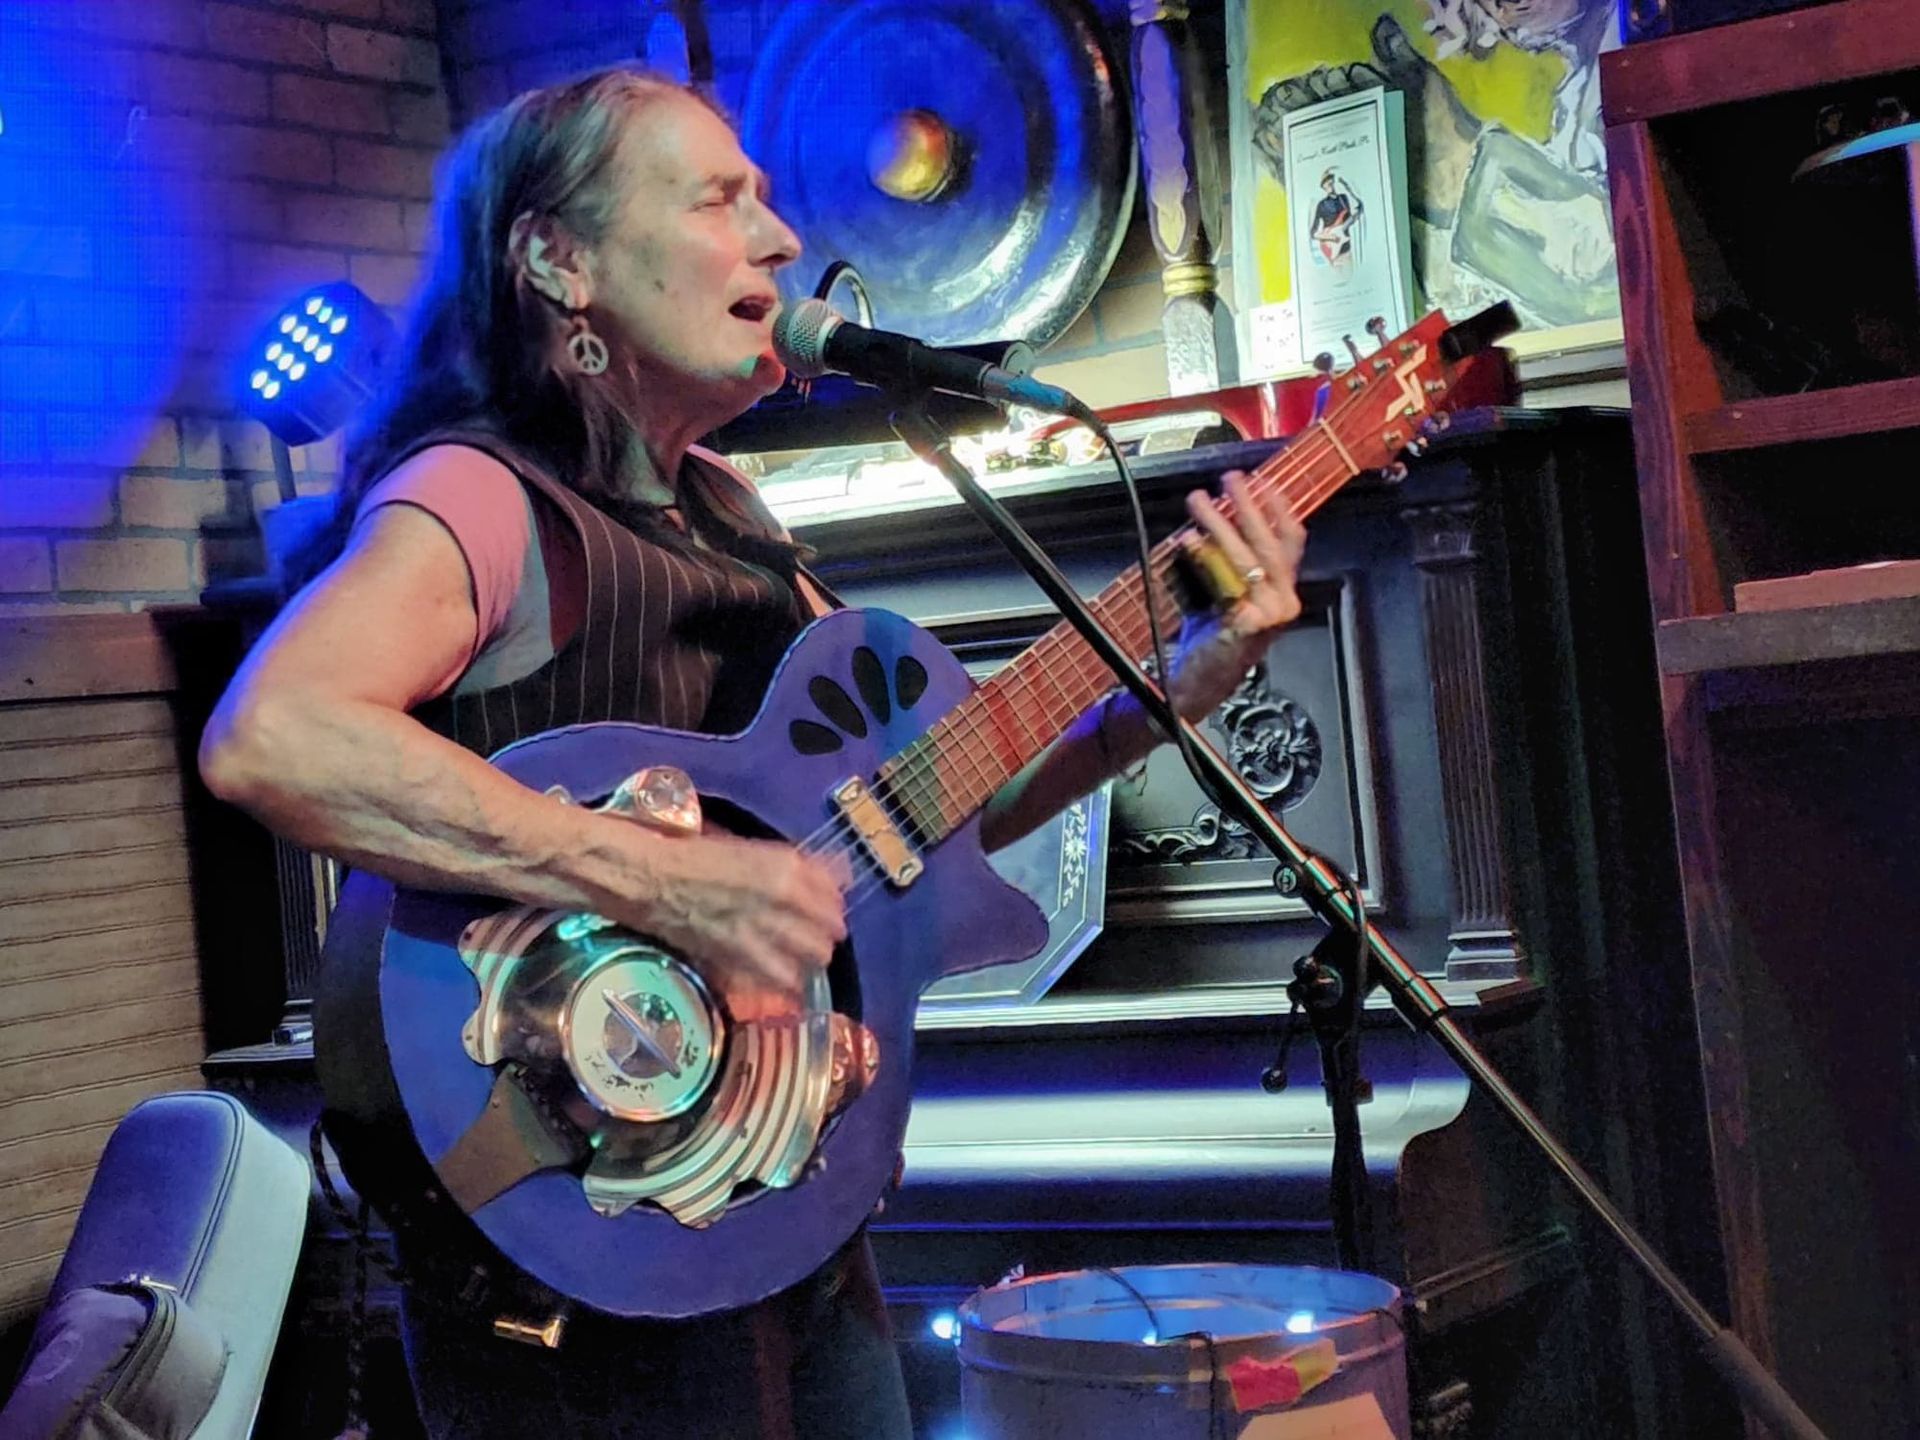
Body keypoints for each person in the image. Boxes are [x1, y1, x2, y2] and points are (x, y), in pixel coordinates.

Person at [198, 65, 1307, 1440]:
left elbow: (948, 796)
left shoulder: (733, 513)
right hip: (574, 1217)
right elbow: (276, 734)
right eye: (721, 200)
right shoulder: (479, 496)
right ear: (558, 259)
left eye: (770, 205)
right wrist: (657, 884)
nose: (780, 242)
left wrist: (1183, 680)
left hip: (773, 1195)